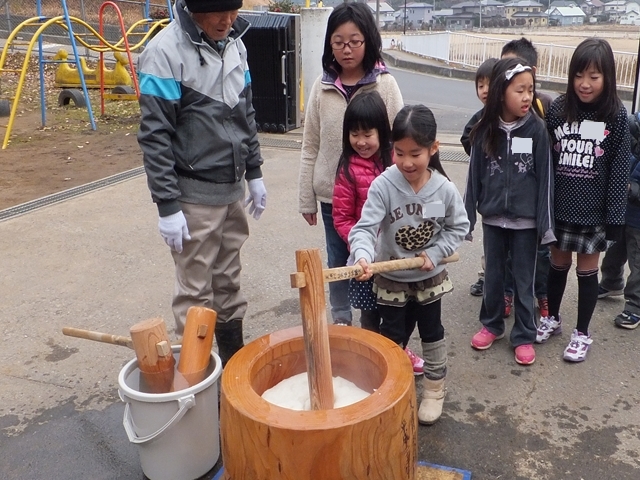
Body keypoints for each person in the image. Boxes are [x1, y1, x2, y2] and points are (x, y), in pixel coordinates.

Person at [137, 0, 266, 367]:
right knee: (195, 292)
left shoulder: (235, 43)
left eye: (233, 11)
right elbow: (155, 136)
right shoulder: (165, 52)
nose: (228, 20)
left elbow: (246, 114)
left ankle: (233, 369)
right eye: (218, 13)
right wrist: (167, 206)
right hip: (193, 196)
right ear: (195, 9)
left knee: (228, 280)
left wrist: (254, 172)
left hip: (232, 189)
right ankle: (197, 379)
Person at [349, 104, 469, 425]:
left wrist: (438, 249)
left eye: (415, 153)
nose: (406, 162)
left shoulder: (443, 189)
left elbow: (460, 227)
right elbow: (364, 228)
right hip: (392, 279)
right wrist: (362, 255)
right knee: (392, 337)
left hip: (429, 278)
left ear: (433, 149)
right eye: (398, 153)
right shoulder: (384, 185)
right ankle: (391, 389)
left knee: (432, 332)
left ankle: (433, 390)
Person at [298, 2, 404, 326]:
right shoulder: (322, 86)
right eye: (338, 42)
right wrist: (306, 197)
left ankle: (377, 319)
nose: (347, 49)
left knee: (378, 259)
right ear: (330, 43)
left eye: (354, 41)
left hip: (379, 198)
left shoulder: (385, 84)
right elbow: (310, 144)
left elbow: (402, 141)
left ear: (368, 40)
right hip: (334, 198)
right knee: (338, 259)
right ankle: (341, 321)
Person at [537, 38, 630, 361]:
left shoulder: (616, 116)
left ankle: (582, 333)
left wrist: (615, 219)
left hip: (593, 214)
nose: (585, 84)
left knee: (587, 272)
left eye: (594, 76)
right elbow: (544, 160)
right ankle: (552, 318)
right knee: (557, 265)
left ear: (608, 77)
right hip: (559, 208)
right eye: (579, 75)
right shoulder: (559, 110)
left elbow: (619, 170)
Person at [465, 57, 555, 366]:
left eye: (530, 89)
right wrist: (467, 219)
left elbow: (545, 180)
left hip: (526, 222)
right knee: (492, 276)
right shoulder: (484, 130)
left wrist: (545, 225)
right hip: (492, 218)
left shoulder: (537, 130)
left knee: (523, 281)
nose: (527, 96)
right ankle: (491, 325)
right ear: (503, 91)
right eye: (520, 90)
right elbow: (473, 176)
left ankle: (524, 334)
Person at [332, 91, 425, 374]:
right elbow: (342, 218)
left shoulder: (395, 164)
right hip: (365, 261)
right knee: (370, 314)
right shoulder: (347, 170)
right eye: (354, 134)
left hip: (396, 257)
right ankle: (370, 357)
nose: (361, 142)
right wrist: (362, 245)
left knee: (400, 312)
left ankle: (397, 350)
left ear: (382, 132)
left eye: (367, 134)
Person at [500, 37, 552, 320]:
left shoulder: (544, 107)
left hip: (536, 201)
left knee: (541, 253)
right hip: (508, 202)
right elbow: (471, 137)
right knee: (508, 253)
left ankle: (542, 295)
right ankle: (507, 293)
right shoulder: (493, 113)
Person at [598, 112, 640, 329]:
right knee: (614, 251)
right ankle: (611, 282)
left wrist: (631, 189)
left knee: (637, 263)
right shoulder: (633, 129)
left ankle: (635, 306)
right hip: (624, 213)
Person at [461, 57, 498, 298]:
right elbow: (466, 139)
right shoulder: (480, 118)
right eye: (480, 85)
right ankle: (488, 276)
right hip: (488, 192)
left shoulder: (517, 118)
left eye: (490, 84)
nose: (485, 90)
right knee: (491, 240)